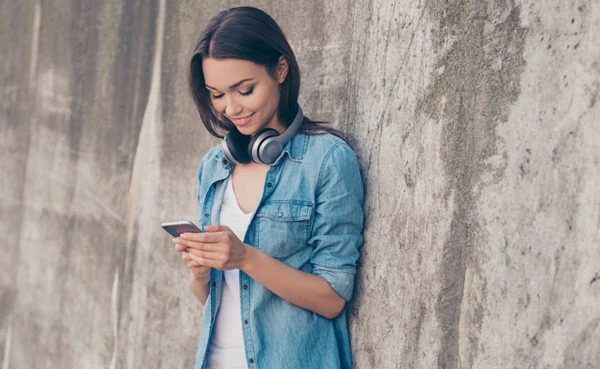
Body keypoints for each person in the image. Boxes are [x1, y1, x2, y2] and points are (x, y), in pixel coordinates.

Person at [172, 6, 365, 369]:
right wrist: (200, 271)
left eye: (244, 89)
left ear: (280, 70)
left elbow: (333, 297)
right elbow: (215, 299)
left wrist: (244, 257)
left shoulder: (326, 161)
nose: (231, 108)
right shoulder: (215, 167)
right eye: (216, 95)